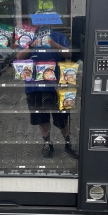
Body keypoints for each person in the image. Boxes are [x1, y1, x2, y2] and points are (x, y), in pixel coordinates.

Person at [17, 25, 78, 159]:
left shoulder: (58, 36)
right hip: (34, 86)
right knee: (41, 119)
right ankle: (47, 143)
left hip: (57, 86)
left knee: (62, 119)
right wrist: (32, 45)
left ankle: (68, 143)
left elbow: (69, 55)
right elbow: (19, 56)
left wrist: (54, 44)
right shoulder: (28, 36)